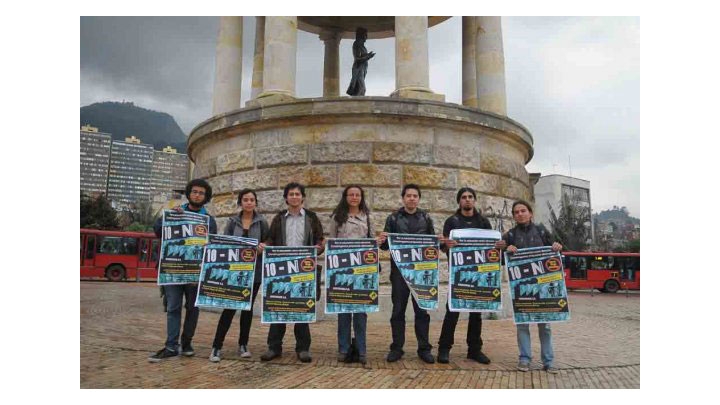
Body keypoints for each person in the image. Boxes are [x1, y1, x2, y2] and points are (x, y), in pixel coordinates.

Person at [149, 179, 218, 362]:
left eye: (201, 193)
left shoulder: (209, 221)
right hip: (172, 270)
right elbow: (157, 231)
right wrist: (168, 216)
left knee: (193, 309)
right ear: (189, 194)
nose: (197, 195)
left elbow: (213, 246)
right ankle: (171, 346)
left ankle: (187, 343)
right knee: (173, 308)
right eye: (194, 192)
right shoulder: (175, 213)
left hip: (195, 273)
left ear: (206, 197)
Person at [495, 200, 563, 374]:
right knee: (522, 325)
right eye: (516, 212)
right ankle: (524, 358)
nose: (520, 214)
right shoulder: (509, 235)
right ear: (513, 216)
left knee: (545, 326)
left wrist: (557, 247)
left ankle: (548, 361)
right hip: (521, 288)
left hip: (543, 287)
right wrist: (505, 250)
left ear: (530, 213)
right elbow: (500, 260)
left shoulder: (541, 230)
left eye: (523, 210)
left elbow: (555, 252)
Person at [260, 183, 324, 363]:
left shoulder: (311, 217)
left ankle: (303, 349)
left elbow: (320, 239)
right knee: (278, 307)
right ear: (286, 198)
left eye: (297, 194)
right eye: (291, 194)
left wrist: (319, 248)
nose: (294, 197)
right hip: (282, 268)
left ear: (302, 197)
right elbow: (271, 239)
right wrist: (267, 245)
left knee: (302, 309)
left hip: (303, 269)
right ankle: (274, 347)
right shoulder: (279, 218)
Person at [327, 185, 387, 365]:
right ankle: (343, 349)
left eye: (357, 195)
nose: (354, 197)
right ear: (345, 197)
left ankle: (362, 349)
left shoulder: (368, 217)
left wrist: (377, 241)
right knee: (343, 312)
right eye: (350, 194)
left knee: (361, 312)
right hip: (342, 271)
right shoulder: (337, 218)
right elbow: (331, 243)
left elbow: (372, 244)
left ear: (361, 197)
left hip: (362, 271)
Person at [208, 189, 269, 363]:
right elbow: (224, 243)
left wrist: (263, 246)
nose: (249, 202)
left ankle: (243, 344)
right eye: (245, 199)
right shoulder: (232, 222)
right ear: (240, 202)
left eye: (252, 199)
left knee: (247, 310)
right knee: (229, 309)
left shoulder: (262, 222)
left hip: (254, 272)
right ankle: (216, 346)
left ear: (255, 203)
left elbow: (268, 240)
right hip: (234, 272)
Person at [380, 184, 437, 364]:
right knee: (398, 311)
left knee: (422, 311)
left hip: (421, 274)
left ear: (418, 199)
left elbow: (432, 244)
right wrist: (382, 240)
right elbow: (384, 246)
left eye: (415, 196)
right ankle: (397, 348)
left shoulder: (426, 218)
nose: (412, 198)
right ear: (403, 198)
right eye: (408, 195)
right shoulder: (393, 218)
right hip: (399, 274)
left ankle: (424, 348)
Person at [437, 187, 492, 365]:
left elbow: (491, 247)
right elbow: (443, 247)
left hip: (478, 274)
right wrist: (446, 245)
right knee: (452, 312)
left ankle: (474, 350)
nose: (467, 200)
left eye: (470, 197)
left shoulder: (483, 222)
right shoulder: (451, 221)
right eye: (463, 197)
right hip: (458, 274)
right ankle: (444, 348)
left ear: (474, 200)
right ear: (459, 201)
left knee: (476, 314)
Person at [346, 27, 375, 96]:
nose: (366, 37)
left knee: (359, 89)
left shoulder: (362, 46)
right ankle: (356, 105)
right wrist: (368, 57)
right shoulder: (357, 44)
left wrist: (368, 55)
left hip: (362, 69)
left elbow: (361, 56)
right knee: (362, 89)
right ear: (361, 35)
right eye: (365, 35)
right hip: (358, 69)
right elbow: (357, 58)